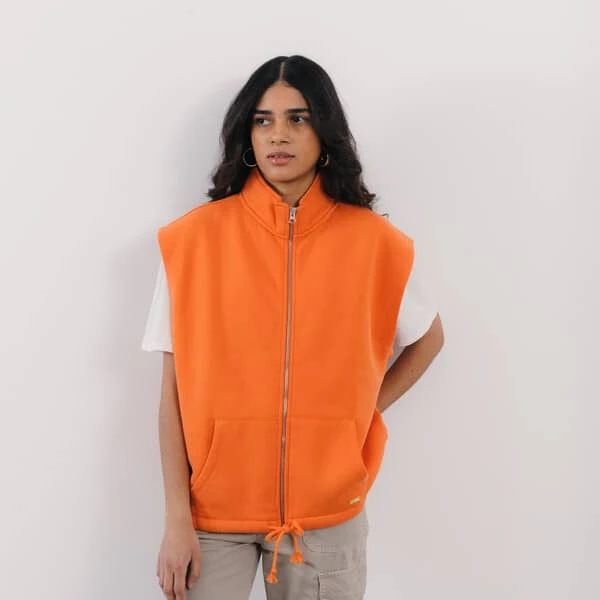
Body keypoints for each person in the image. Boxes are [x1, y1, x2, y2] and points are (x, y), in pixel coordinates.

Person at [142, 54, 444, 600]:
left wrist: (353, 419)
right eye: (263, 120)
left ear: (324, 132)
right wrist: (176, 519)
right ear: (247, 135)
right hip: (212, 517)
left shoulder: (376, 244)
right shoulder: (191, 243)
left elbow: (429, 338)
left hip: (326, 517)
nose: (278, 134)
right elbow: (172, 395)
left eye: (297, 118)